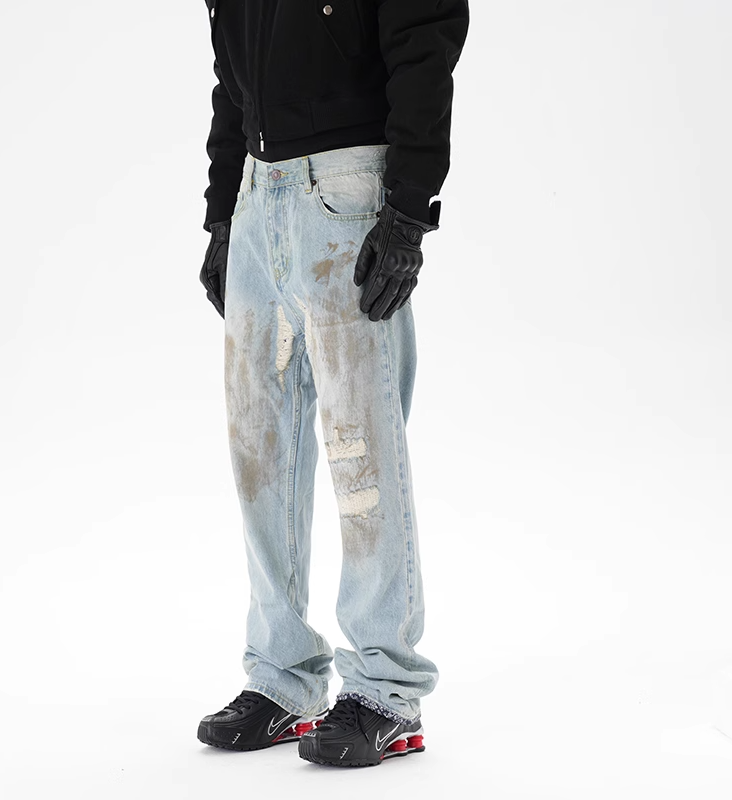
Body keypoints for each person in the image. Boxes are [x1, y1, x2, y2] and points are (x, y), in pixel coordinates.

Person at [197, 0, 469, 768]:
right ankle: (281, 675)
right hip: (259, 192)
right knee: (260, 451)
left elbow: (426, 37)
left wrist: (407, 211)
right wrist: (222, 214)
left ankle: (386, 690)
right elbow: (230, 76)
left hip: (346, 190)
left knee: (361, 451)